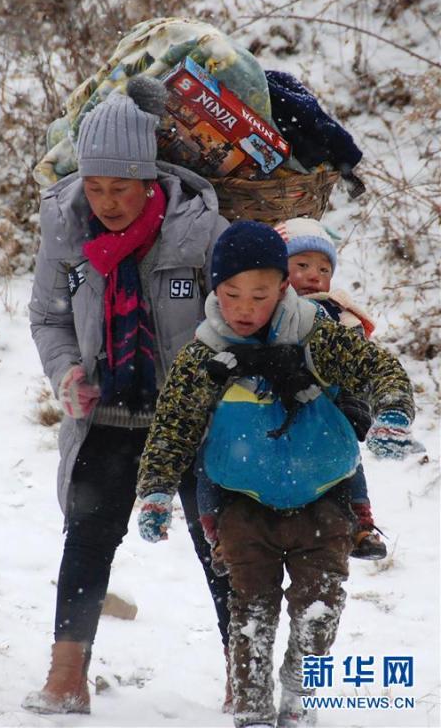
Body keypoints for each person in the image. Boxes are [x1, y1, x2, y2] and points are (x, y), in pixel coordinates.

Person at [136, 220, 416, 728]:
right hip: (243, 507)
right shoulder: (205, 354)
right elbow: (173, 427)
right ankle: (252, 712)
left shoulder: (316, 335)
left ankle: (299, 693)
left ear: (284, 287)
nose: (243, 308)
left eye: (259, 295)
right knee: (250, 617)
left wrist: (393, 411)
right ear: (214, 290)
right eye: (231, 294)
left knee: (319, 612)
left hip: (323, 501)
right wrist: (156, 491)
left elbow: (379, 371)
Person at [22, 77, 232, 716]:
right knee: (87, 533)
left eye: (120, 187)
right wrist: (65, 373)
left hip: (188, 418)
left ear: (150, 180)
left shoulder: (201, 232)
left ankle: (244, 673)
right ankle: (66, 676)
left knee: (221, 542)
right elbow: (47, 315)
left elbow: (238, 318)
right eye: (94, 185)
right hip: (107, 413)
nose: (106, 202)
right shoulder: (68, 227)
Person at [274, 217, 386, 559]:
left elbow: (358, 368)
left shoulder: (339, 314)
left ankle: (360, 521)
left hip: (329, 406)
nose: (313, 275)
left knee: (347, 462)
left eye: (323, 268)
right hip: (274, 407)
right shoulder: (263, 308)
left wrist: (355, 405)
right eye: (302, 265)